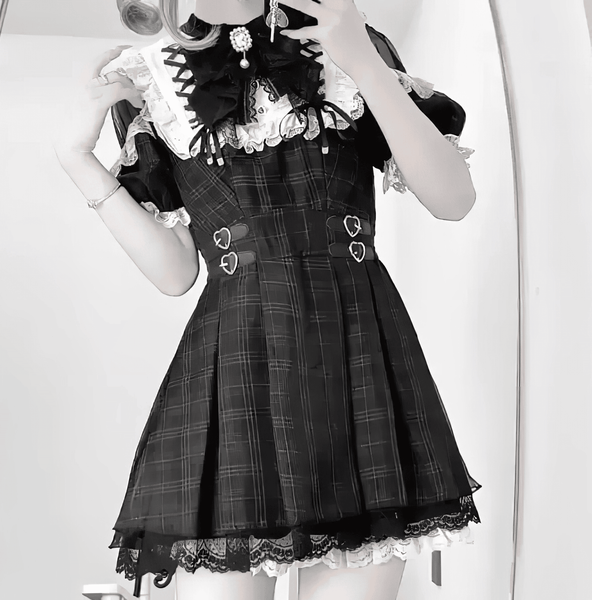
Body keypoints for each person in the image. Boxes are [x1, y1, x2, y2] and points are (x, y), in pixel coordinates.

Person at [54, 1, 482, 599]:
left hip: (357, 358)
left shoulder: (345, 42)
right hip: (234, 373)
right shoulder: (147, 78)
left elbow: (453, 199)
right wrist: (76, 158)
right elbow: (175, 272)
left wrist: (363, 61)